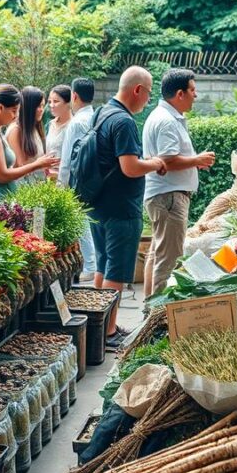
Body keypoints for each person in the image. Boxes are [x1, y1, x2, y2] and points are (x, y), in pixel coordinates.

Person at [85, 67, 166, 345]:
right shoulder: (124, 122)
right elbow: (130, 167)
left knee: (102, 267)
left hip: (98, 204)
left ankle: (97, 327)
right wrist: (154, 163)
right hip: (120, 208)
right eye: (149, 92)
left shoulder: (101, 113)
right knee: (117, 271)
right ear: (137, 90)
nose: (148, 99)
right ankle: (108, 332)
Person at [142, 69, 215, 297]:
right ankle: (157, 316)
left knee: (157, 254)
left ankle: (149, 308)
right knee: (168, 259)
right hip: (170, 197)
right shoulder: (166, 121)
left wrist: (193, 163)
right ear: (180, 93)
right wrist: (197, 159)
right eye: (192, 90)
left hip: (165, 196)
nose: (196, 95)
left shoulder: (166, 117)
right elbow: (166, 160)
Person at [0, 84, 58, 200]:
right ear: (0, 108)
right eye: (14, 111)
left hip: (3, 199)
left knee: (40, 217)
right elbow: (2, 176)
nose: (16, 116)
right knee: (38, 217)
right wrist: (38, 164)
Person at [58, 77, 97, 283]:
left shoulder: (76, 123)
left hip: (78, 181)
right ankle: (94, 265)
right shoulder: (96, 117)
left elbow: (67, 161)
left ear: (74, 96)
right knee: (91, 222)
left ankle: (90, 266)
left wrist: (60, 187)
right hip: (95, 181)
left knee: (82, 224)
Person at [6, 86, 49, 185]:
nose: (41, 110)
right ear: (29, 107)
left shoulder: (35, 127)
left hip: (37, 185)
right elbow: (20, 166)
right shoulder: (15, 130)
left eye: (43, 106)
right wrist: (40, 164)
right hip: (23, 188)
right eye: (38, 106)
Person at [45, 84, 73, 171]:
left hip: (65, 178)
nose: (51, 105)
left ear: (68, 103)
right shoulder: (49, 125)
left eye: (56, 101)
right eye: (50, 102)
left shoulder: (74, 125)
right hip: (48, 178)